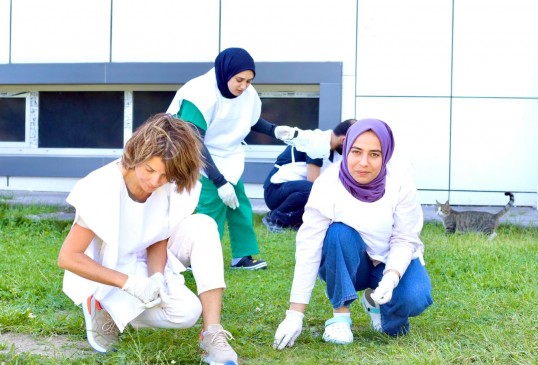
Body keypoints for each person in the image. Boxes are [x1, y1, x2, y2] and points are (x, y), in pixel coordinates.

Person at [58, 114, 239, 365]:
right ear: (136, 156)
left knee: (188, 308)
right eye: (149, 170)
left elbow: (158, 235)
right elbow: (68, 257)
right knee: (164, 303)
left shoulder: (170, 183)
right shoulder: (101, 186)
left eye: (165, 176)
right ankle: (103, 306)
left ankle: (213, 333)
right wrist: (129, 284)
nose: (155, 182)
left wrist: (157, 277)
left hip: (149, 256)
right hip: (111, 267)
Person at [272, 118, 433, 349]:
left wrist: (392, 277)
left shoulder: (400, 182)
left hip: (388, 259)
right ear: (346, 148)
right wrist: (294, 314)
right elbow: (309, 246)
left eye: (374, 154)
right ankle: (340, 317)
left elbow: (405, 238)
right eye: (356, 151)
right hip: (350, 262)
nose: (363, 163)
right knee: (338, 232)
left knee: (415, 298)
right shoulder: (328, 184)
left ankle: (380, 308)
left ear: (386, 154)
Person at [167, 47, 297, 270]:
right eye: (240, 80)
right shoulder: (199, 94)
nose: (244, 86)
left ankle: (242, 256)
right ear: (226, 72)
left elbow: (250, 119)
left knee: (240, 205)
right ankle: (199, 258)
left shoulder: (246, 92)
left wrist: (275, 131)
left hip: (226, 154)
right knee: (211, 208)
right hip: (193, 153)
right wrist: (219, 182)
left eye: (249, 80)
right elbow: (193, 142)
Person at [262, 119, 356, 233]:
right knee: (315, 189)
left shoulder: (337, 153)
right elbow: (314, 182)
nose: (353, 150)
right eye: (353, 146)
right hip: (274, 191)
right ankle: (275, 218)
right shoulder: (317, 142)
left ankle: (293, 221)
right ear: (344, 140)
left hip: (294, 192)